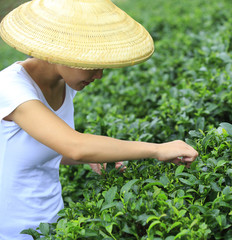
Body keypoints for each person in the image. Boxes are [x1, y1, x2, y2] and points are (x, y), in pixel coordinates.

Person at [0, 0, 198, 239]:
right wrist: (157, 149)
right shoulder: (9, 87)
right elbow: (75, 146)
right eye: (91, 65)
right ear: (59, 52)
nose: (99, 75)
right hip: (12, 230)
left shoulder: (65, 84)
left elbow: (39, 149)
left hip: (54, 224)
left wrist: (99, 158)